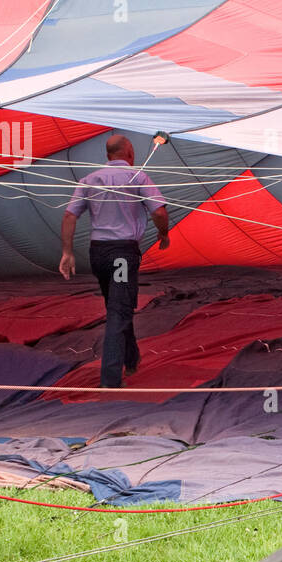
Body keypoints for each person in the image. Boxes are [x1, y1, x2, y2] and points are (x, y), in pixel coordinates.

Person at [59, 134, 170, 388]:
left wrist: (67, 252)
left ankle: (131, 360)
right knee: (118, 311)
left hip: (98, 254)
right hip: (122, 255)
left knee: (118, 305)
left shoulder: (89, 180)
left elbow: (69, 215)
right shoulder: (137, 177)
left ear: (108, 155)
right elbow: (159, 211)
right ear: (129, 154)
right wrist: (164, 234)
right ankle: (110, 378)